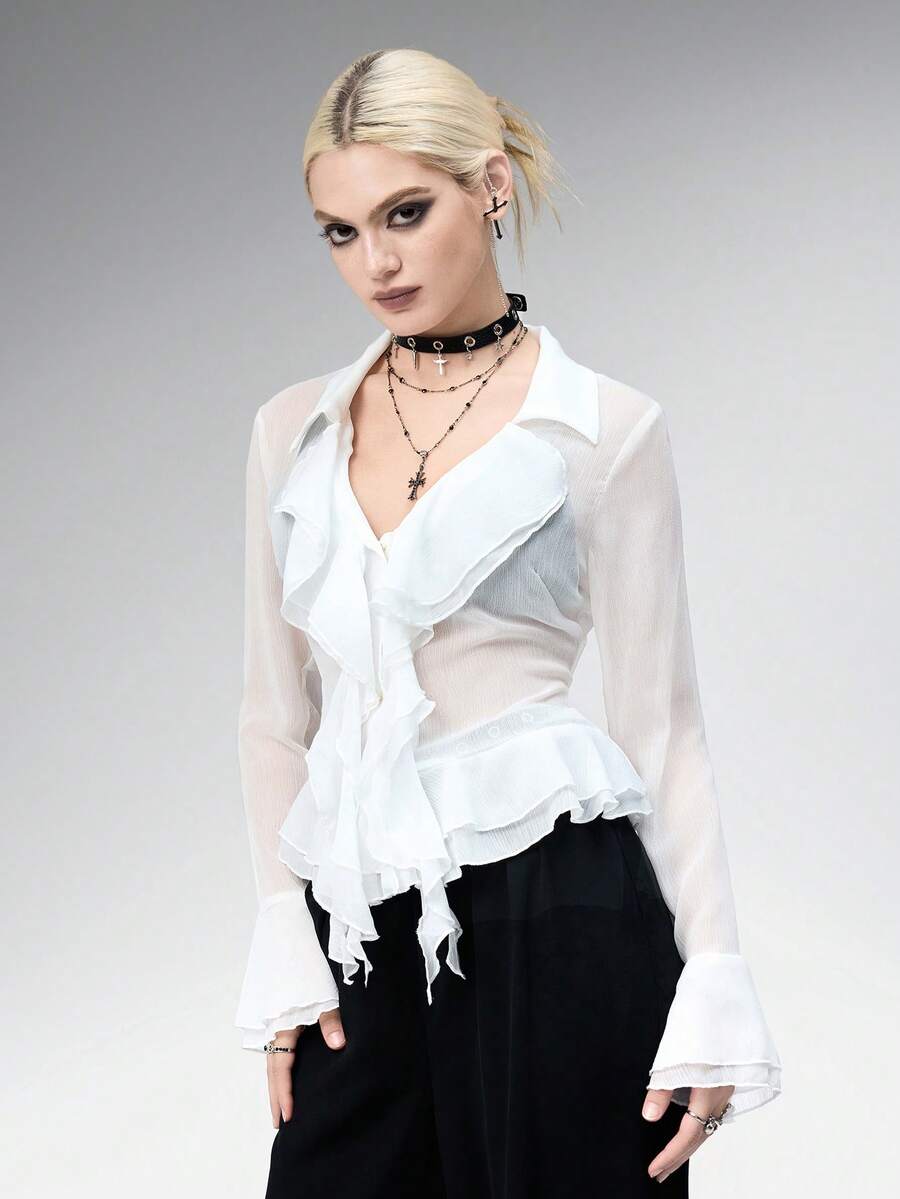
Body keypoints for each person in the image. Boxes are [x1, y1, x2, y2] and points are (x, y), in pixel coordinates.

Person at [234, 47, 782, 1197]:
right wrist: (285, 929)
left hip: (561, 906)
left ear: (489, 186)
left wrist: (714, 971)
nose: (377, 261)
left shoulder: (606, 431)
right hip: (362, 910)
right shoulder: (292, 431)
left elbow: (662, 724)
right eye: (340, 231)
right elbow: (274, 715)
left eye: (405, 212)